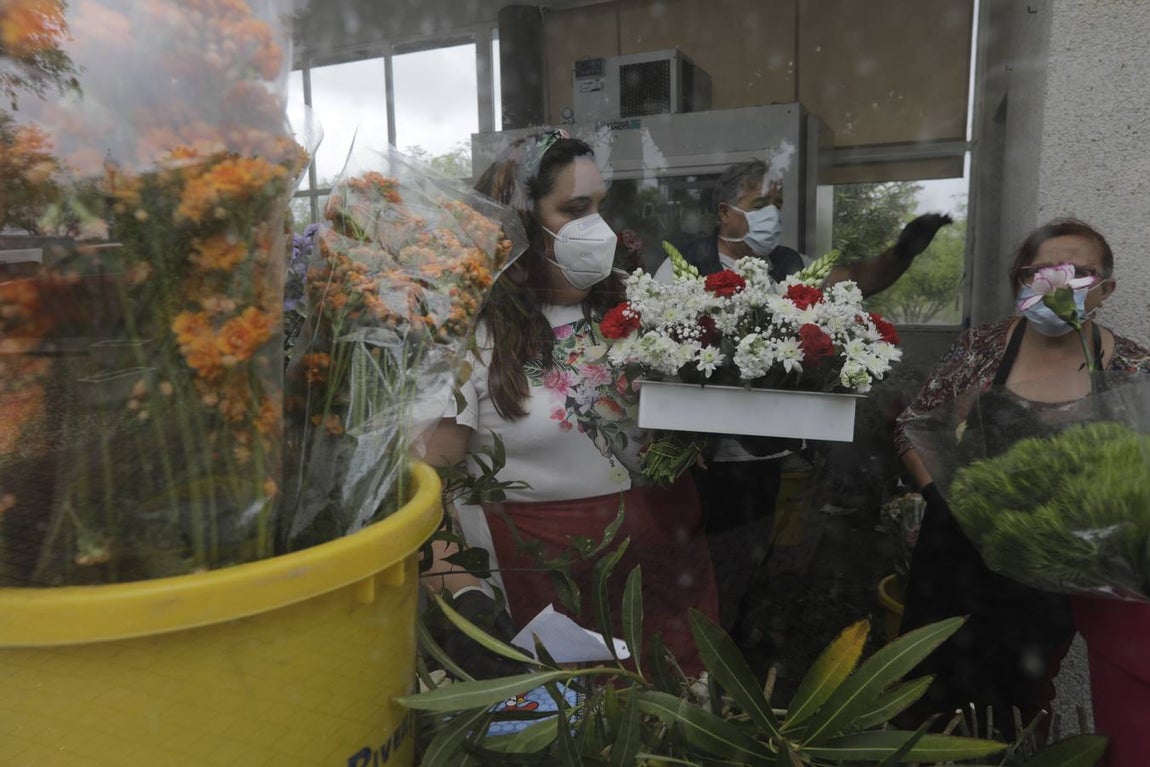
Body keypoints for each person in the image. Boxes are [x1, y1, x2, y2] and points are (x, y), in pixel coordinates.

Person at [423, 129, 720, 676]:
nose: (596, 229)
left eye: (599, 208)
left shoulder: (633, 313)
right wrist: (466, 609)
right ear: (517, 221)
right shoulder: (469, 334)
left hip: (655, 584)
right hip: (539, 592)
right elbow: (421, 498)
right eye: (573, 209)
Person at [652, 158, 952, 640]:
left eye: (777, 204)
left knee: (750, 566)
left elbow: (856, 279)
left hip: (766, 458)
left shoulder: (788, 267)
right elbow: (655, 351)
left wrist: (903, 252)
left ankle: (730, 650)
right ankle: (697, 653)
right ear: (726, 213)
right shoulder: (683, 266)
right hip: (698, 461)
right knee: (694, 569)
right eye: (759, 204)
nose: (772, 213)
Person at [893, 218, 1150, 739]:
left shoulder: (1131, 366)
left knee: (1021, 695)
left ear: (1106, 288)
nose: (1057, 282)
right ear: (1021, 282)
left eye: (1078, 271)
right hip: (956, 555)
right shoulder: (981, 349)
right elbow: (911, 428)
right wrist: (942, 496)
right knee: (927, 686)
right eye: (1041, 271)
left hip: (1059, 566)